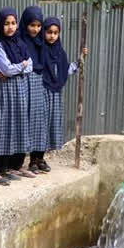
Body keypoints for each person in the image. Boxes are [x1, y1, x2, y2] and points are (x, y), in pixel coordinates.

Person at [0, 7, 33, 186]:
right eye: (6, 24)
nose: (10, 27)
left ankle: (5, 169)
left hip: (17, 91)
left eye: (13, 23)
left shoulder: (20, 44)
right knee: (1, 127)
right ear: (0, 25)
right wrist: (20, 67)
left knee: (12, 128)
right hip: (4, 93)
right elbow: (5, 68)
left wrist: (16, 68)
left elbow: (30, 66)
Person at [41, 16, 84, 162]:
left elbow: (65, 70)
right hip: (42, 92)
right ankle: (35, 159)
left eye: (55, 32)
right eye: (49, 32)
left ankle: (42, 159)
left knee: (52, 123)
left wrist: (80, 60)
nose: (52, 36)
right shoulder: (40, 50)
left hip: (55, 93)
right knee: (41, 123)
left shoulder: (60, 52)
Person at [19, 6, 48, 176]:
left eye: (38, 26)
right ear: (25, 24)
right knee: (24, 121)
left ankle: (36, 160)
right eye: (32, 25)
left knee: (38, 122)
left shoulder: (42, 42)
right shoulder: (20, 42)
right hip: (24, 84)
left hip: (39, 84)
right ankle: (18, 162)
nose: (35, 29)